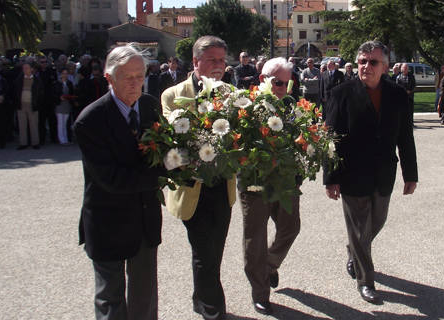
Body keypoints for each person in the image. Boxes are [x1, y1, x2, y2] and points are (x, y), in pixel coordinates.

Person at [74, 44, 164, 320]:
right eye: (128, 77)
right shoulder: (90, 121)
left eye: (141, 75)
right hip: (107, 221)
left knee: (144, 295)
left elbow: (162, 147)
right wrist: (165, 172)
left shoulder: (149, 104)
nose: (137, 83)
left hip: (145, 219)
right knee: (110, 299)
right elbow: (113, 179)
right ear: (109, 78)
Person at [324, 41, 418, 304]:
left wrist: (411, 173)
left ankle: (354, 250)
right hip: (352, 174)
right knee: (360, 229)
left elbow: (405, 136)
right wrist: (331, 178)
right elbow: (330, 139)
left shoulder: (398, 94)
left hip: (384, 173)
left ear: (385, 67)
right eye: (362, 61)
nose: (366, 66)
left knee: (376, 222)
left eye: (373, 62)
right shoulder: (341, 93)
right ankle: (366, 282)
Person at [161, 35, 236, 320]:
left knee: (214, 251)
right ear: (195, 62)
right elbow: (173, 141)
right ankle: (213, 311)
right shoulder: (174, 94)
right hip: (192, 186)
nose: (219, 65)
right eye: (212, 59)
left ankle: (199, 299)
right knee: (204, 252)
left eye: (221, 59)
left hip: (222, 186)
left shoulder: (230, 91)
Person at [239, 57, 301, 316]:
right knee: (255, 238)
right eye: (277, 82)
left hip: (284, 180)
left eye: (286, 84)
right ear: (262, 78)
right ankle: (260, 292)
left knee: (291, 228)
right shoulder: (246, 105)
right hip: (255, 182)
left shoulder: (292, 106)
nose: (281, 88)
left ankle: (268, 266)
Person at [14, 62, 44, 150]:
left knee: (34, 125)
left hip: (33, 105)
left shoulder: (37, 80)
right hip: (21, 105)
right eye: (23, 68)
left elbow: (41, 94)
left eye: (26, 68)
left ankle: (35, 143)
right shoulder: (19, 79)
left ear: (31, 69)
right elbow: (16, 92)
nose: (24, 70)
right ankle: (23, 143)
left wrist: (38, 104)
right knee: (22, 125)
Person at [37, 55, 59, 145]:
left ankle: (54, 137)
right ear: (39, 63)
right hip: (41, 100)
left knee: (52, 120)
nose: (44, 63)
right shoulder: (37, 73)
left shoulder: (52, 72)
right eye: (42, 62)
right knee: (41, 121)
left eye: (46, 61)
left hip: (50, 99)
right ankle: (41, 138)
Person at [52, 67, 75, 146]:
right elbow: (52, 95)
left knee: (65, 123)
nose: (65, 75)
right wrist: (59, 97)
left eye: (66, 73)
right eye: (63, 73)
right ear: (60, 74)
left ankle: (66, 139)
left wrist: (71, 98)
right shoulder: (56, 83)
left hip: (67, 105)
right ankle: (62, 140)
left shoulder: (69, 83)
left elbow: (72, 93)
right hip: (59, 105)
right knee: (60, 123)